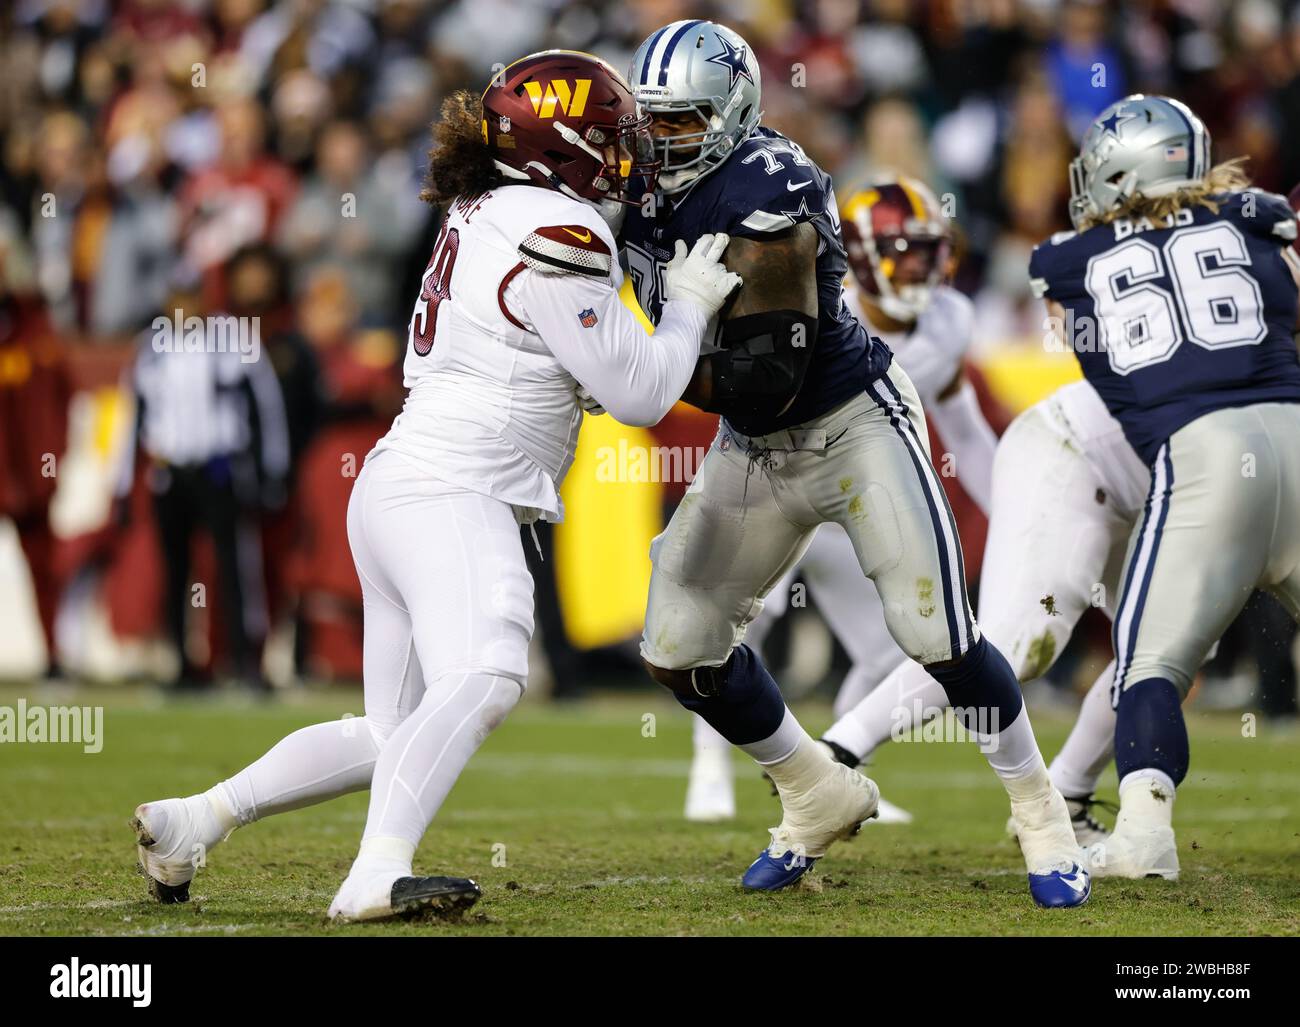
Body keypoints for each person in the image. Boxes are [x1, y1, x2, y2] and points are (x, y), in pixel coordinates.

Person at [130, 51, 741, 922]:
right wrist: (683, 306)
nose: (628, 151)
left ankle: (195, 819)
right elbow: (639, 394)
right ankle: (377, 871)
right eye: (610, 136)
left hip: (400, 481)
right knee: (489, 672)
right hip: (460, 484)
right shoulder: (555, 226)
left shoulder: (486, 205)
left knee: (392, 733)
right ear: (559, 148)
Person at [625, 20, 1088, 906]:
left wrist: (636, 373)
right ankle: (814, 788)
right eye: (651, 122)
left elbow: (769, 369)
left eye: (680, 120)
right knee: (677, 646)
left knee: (936, 635)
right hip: (752, 447)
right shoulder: (637, 183)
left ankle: (1042, 809)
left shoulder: (772, 186)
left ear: (728, 115)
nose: (660, 140)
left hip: (846, 423)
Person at [1028, 94, 1300, 879]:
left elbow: (1084, 326)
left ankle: (1146, 833)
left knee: (1150, 661)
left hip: (1203, 456)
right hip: (1293, 426)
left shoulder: (1066, 261)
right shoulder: (1260, 217)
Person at [684, 176, 999, 825]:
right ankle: (707, 767)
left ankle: (836, 768)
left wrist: (1017, 522)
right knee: (733, 626)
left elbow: (965, 428)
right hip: (780, 486)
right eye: (900, 250)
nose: (916, 265)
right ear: (856, 255)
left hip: (853, 512)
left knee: (894, 650)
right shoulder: (818, 306)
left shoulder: (950, 319)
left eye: (925, 250)